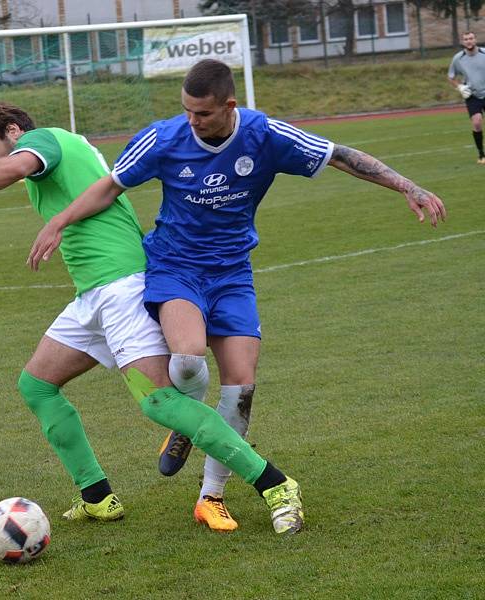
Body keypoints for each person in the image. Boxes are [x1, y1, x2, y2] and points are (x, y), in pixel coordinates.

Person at [28, 59, 446, 533]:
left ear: (229, 106)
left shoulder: (264, 134)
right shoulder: (164, 138)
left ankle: (212, 496)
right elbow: (109, 187)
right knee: (185, 360)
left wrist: (407, 186)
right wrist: (59, 221)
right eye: (186, 111)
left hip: (231, 274)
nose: (192, 121)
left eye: (202, 114)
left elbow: (340, 155)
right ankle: (190, 422)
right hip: (175, 267)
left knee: (241, 388)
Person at [0, 101, 305, 534]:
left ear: (13, 132)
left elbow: (12, 169)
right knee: (36, 385)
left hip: (121, 286)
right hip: (94, 293)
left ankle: (276, 485)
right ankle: (97, 497)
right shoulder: (60, 150)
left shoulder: (42, 142)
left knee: (160, 401)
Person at [448, 31, 485, 164]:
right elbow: (451, 77)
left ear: (475, 40)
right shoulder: (458, 58)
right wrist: (460, 87)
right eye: (466, 39)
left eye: (471, 38)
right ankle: (481, 155)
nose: (469, 41)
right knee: (476, 122)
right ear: (463, 42)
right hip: (473, 96)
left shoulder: (484, 53)